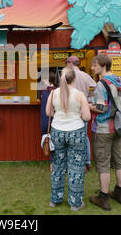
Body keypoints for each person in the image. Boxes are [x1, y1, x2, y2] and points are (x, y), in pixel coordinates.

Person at [46, 67, 91, 211]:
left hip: (57, 131)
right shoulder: (80, 94)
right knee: (76, 168)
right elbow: (87, 117)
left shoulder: (53, 93)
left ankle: (55, 199)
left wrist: (60, 113)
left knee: (58, 166)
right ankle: (75, 203)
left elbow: (48, 112)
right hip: (76, 132)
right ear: (74, 78)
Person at [88, 55, 121, 211]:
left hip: (103, 128)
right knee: (119, 160)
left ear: (103, 66)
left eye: (94, 65)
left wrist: (87, 105)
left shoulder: (100, 84)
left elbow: (101, 108)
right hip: (117, 127)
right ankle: (120, 193)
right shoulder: (118, 81)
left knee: (103, 163)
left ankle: (103, 197)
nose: (92, 67)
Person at [66, 55, 96, 171]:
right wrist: (89, 96)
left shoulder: (67, 76)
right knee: (84, 136)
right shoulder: (85, 76)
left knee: (71, 137)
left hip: (71, 110)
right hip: (84, 109)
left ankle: (75, 162)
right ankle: (86, 162)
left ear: (70, 63)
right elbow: (95, 87)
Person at [39, 71, 57, 171]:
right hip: (54, 120)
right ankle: (53, 164)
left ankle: (52, 165)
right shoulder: (57, 91)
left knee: (50, 142)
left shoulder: (46, 91)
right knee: (53, 142)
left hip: (47, 120)